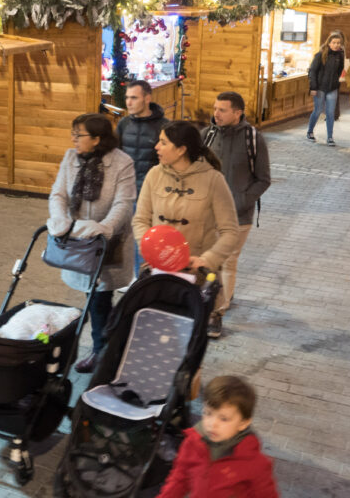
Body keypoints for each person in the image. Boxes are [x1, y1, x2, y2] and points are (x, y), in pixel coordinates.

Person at [47, 113, 137, 373]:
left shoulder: (122, 163)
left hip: (108, 244)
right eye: (73, 134)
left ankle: (102, 354)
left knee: (99, 299)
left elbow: (123, 203)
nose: (73, 139)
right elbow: (58, 194)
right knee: (94, 297)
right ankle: (108, 348)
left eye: (79, 135)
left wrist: (104, 229)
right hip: (77, 241)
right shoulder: (70, 158)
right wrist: (60, 220)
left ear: (97, 139)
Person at [133, 122, 240, 325]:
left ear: (181, 149)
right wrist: (148, 248)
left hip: (196, 277)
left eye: (163, 142)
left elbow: (230, 231)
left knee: (190, 335)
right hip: (158, 273)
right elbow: (140, 219)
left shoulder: (213, 180)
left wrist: (206, 261)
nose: (156, 147)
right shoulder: (154, 175)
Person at [201, 92, 270, 339]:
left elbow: (263, 179)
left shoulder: (253, 138)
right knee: (209, 260)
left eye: (222, 110)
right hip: (208, 214)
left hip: (239, 215)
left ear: (237, 113)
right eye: (215, 108)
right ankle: (218, 296)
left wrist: (240, 202)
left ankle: (216, 313)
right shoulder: (207, 135)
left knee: (228, 261)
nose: (216, 114)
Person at [156, 375, 279, 498]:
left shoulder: (255, 463)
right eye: (208, 413)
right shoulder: (192, 443)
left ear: (243, 423)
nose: (212, 424)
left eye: (224, 419)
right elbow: (179, 479)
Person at [117, 79, 170, 275]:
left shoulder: (164, 126)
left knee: (151, 240)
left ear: (147, 99)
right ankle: (137, 278)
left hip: (153, 196)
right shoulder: (123, 124)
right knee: (131, 239)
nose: (128, 103)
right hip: (127, 193)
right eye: (127, 98)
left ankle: (147, 279)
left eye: (134, 98)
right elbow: (116, 156)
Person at [305, 30, 346, 145]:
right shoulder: (320, 55)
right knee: (318, 110)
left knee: (330, 113)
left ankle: (330, 137)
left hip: (332, 88)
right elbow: (312, 71)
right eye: (334, 42)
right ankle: (310, 132)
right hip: (319, 88)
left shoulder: (340, 55)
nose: (336, 45)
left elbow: (339, 70)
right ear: (329, 43)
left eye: (338, 43)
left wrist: (335, 82)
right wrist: (313, 87)